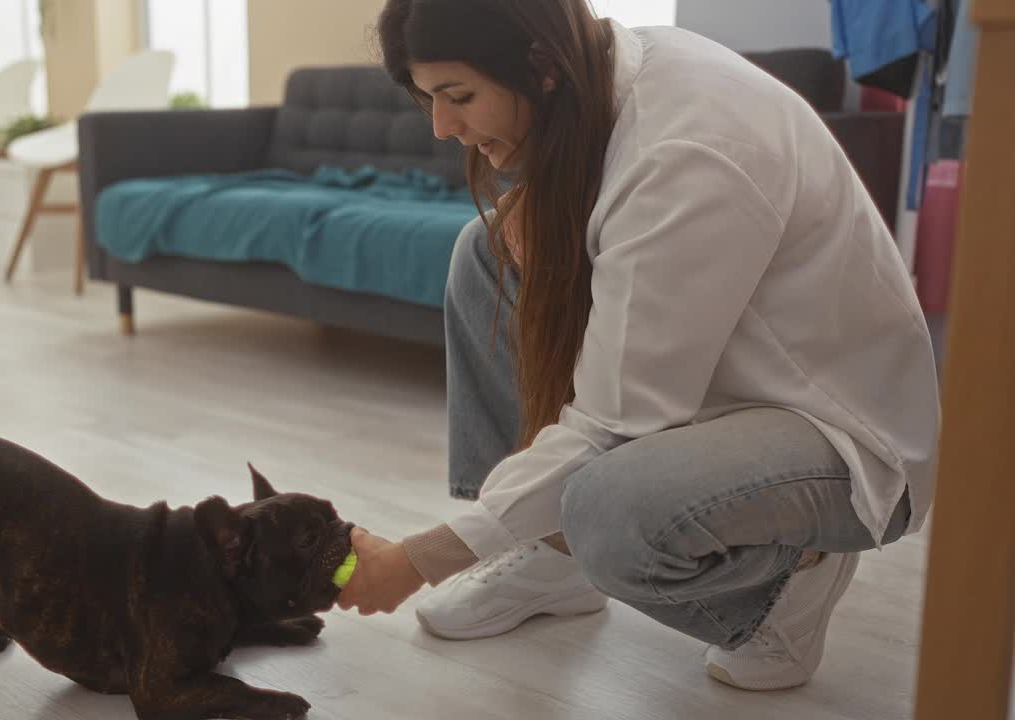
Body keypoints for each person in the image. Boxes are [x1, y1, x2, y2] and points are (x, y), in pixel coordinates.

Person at [336, 0, 940, 692]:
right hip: (719, 388)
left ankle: (785, 582)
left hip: (834, 436)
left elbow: (614, 428)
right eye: (429, 100)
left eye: (459, 97)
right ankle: (550, 555)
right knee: (488, 254)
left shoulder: (688, 147)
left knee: (607, 508)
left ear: (539, 64)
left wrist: (417, 559)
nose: (444, 128)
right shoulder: (606, 76)